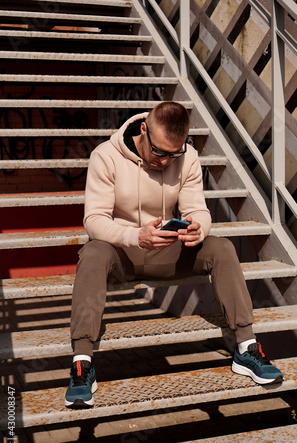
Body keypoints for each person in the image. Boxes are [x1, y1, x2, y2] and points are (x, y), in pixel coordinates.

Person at [65, 101, 283, 408]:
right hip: (122, 253)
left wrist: (199, 228)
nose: (166, 161)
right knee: (91, 253)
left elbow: (198, 210)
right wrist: (135, 235)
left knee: (221, 247)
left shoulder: (188, 156)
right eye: (159, 152)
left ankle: (246, 348)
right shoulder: (106, 156)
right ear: (144, 130)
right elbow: (94, 220)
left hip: (166, 251)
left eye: (174, 154)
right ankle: (82, 363)